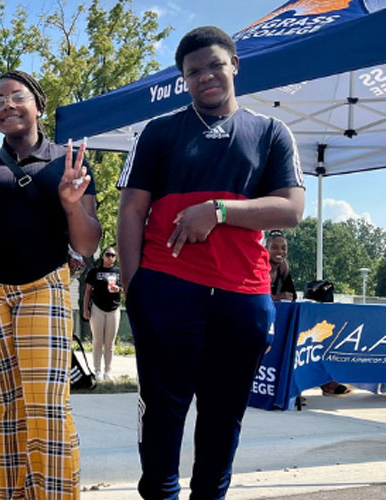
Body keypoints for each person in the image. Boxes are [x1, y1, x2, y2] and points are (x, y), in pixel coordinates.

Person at [117, 26, 305, 499]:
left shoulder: (270, 133)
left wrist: (219, 211)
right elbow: (131, 210)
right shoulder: (158, 132)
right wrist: (134, 286)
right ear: (184, 79)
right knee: (163, 409)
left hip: (243, 296)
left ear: (234, 65)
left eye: (214, 65)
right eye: (193, 71)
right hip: (166, 288)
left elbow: (292, 209)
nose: (205, 77)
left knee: (223, 414)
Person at [0, 70, 101, 500]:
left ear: (38, 105)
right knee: (7, 407)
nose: (6, 105)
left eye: (16, 96)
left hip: (43, 285)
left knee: (46, 407)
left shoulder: (68, 161)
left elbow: (86, 243)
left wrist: (71, 205)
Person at [268, 230, 352, 397]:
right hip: (258, 316)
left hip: (278, 314)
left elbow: (290, 294)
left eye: (284, 248)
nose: (280, 252)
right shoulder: (259, 263)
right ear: (266, 248)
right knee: (292, 339)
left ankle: (324, 381)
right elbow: (252, 293)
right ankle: (292, 387)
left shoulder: (283, 266)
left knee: (313, 335)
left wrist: (283, 298)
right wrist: (277, 297)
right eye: (274, 247)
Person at [84, 246, 123, 380]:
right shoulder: (94, 271)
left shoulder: (119, 272)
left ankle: (108, 371)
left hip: (114, 309)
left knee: (110, 342)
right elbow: (88, 291)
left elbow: (125, 289)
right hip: (97, 308)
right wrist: (85, 309)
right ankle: (97, 370)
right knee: (97, 341)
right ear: (103, 256)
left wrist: (119, 289)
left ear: (116, 258)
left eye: (113, 255)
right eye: (108, 254)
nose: (110, 257)